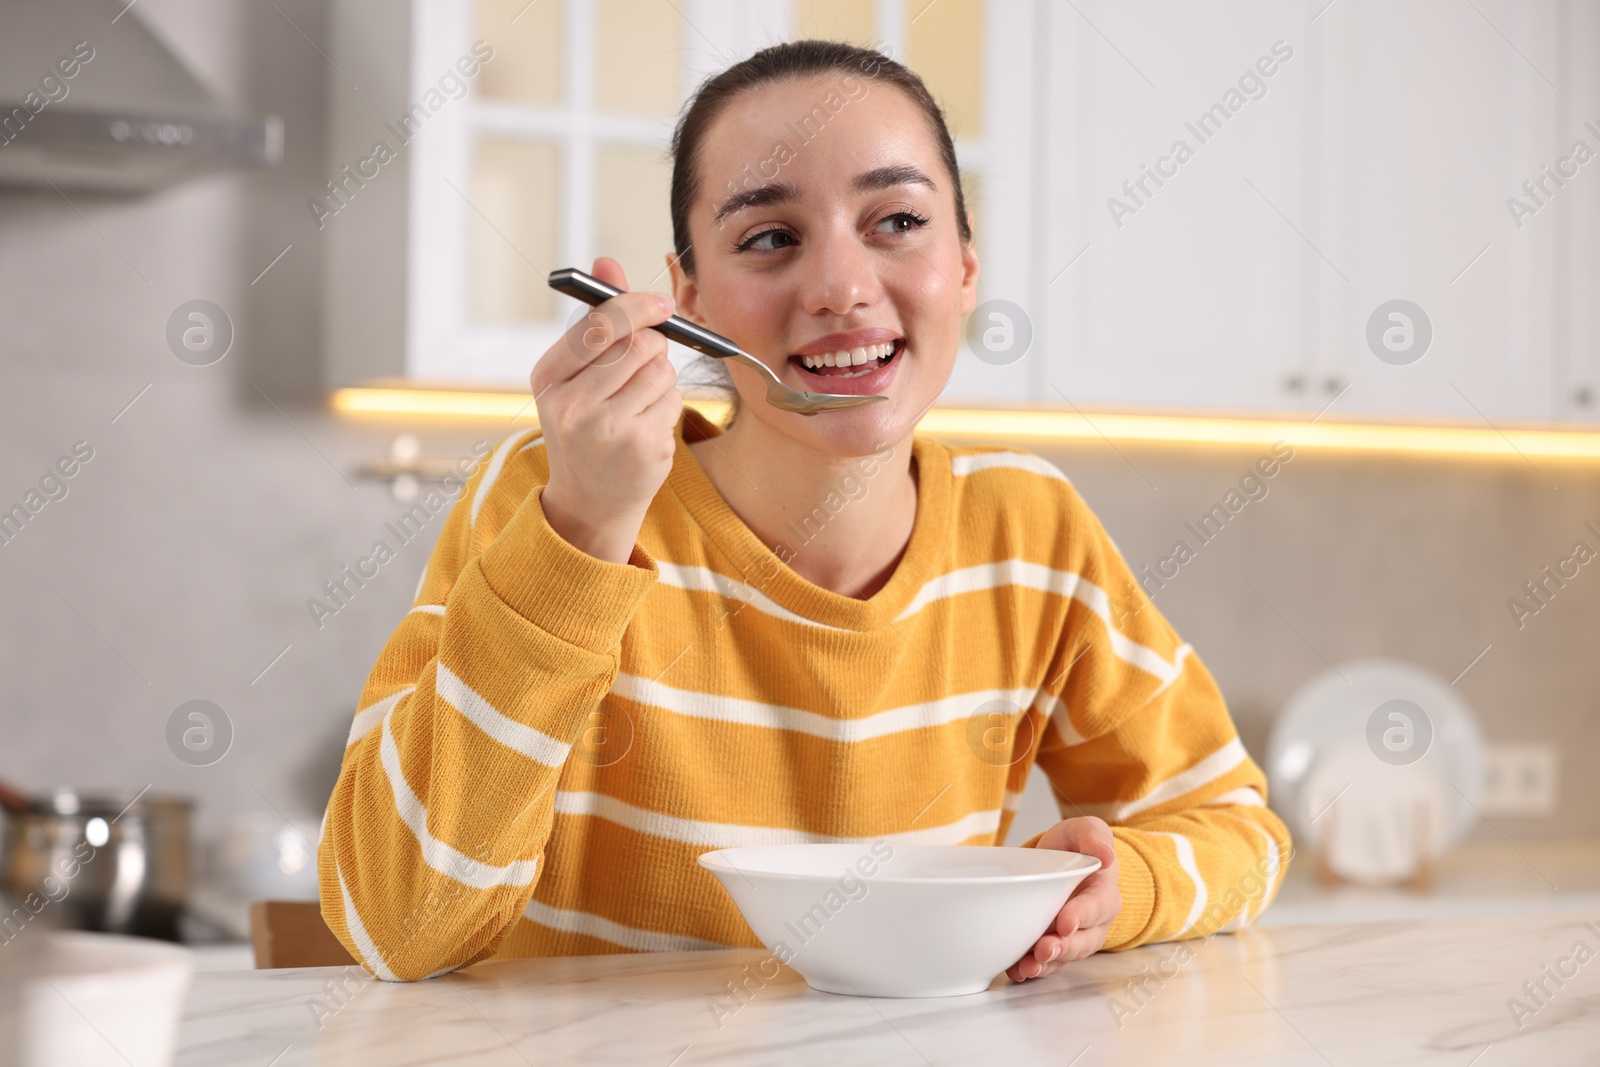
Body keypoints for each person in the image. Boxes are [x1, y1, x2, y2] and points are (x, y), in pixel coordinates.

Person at [318, 39, 1291, 984]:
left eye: (897, 222)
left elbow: (1237, 830)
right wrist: (582, 529)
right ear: (688, 294)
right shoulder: (552, 493)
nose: (840, 289)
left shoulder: (1029, 529)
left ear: (963, 264)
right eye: (770, 238)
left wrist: (1126, 888)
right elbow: (397, 923)